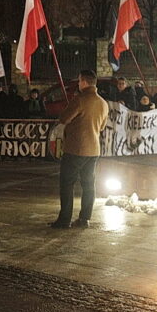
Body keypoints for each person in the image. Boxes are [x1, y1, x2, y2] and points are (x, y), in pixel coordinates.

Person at [51, 70, 109, 229]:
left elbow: (63, 118)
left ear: (84, 82)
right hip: (94, 149)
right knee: (89, 184)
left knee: (67, 184)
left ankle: (64, 220)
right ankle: (84, 219)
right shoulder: (103, 103)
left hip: (76, 148)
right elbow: (102, 126)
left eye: (79, 81)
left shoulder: (80, 100)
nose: (78, 83)